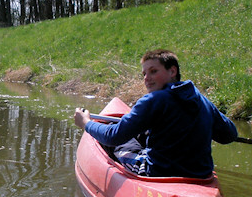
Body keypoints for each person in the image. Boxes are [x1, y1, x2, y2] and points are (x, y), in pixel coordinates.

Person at [74, 49, 238, 178]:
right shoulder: (201, 100)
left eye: (153, 71)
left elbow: (113, 136)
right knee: (143, 136)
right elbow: (229, 135)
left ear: (172, 71)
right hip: (200, 174)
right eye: (144, 73)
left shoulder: (152, 100)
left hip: (159, 173)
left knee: (111, 142)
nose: (147, 78)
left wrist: (86, 123)